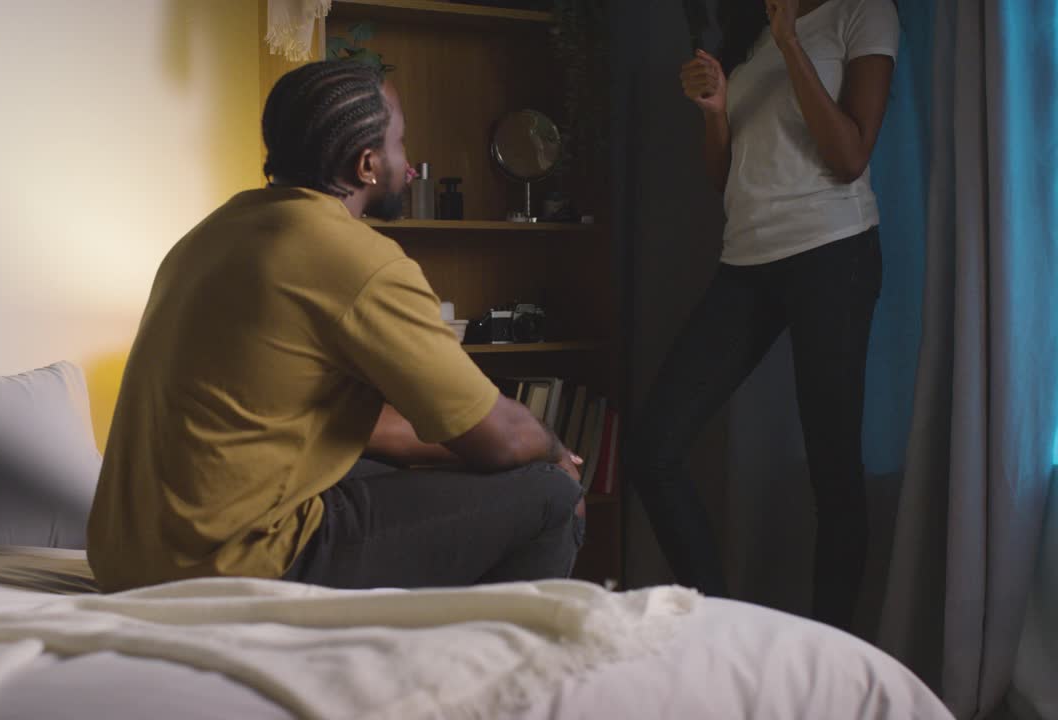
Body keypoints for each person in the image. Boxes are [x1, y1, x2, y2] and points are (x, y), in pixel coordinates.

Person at [87, 61, 585, 593]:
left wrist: (467, 459)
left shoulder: (212, 235)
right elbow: (501, 439)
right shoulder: (356, 259)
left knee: (384, 476)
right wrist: (556, 455)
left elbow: (357, 429)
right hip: (234, 561)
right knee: (549, 496)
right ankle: (492, 669)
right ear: (367, 164)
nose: (411, 165)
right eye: (400, 143)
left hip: (127, 559)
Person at [630, 0, 899, 630]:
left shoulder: (862, 13)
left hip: (834, 253)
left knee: (834, 478)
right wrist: (716, 113)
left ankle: (830, 668)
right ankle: (724, 635)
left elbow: (851, 156)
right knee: (655, 449)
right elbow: (725, 177)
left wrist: (789, 42)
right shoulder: (751, 32)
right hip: (749, 259)